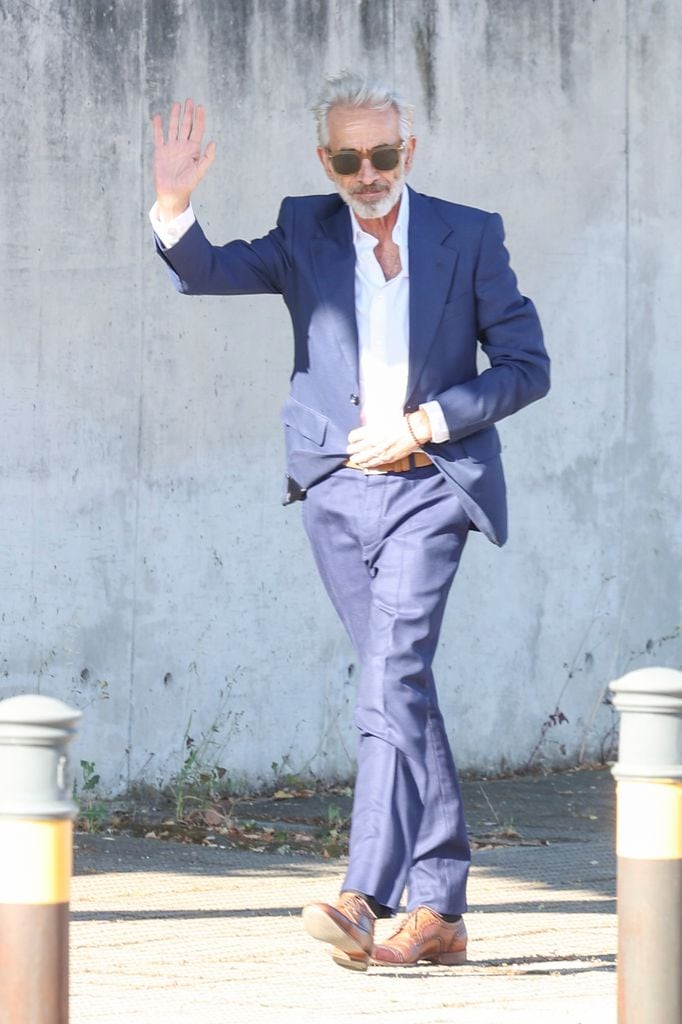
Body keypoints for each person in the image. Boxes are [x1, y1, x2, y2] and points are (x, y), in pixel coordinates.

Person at [150, 72, 549, 971]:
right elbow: (209, 270)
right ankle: (440, 907)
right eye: (347, 158)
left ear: (409, 150)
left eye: (381, 154)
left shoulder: (468, 234)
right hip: (335, 493)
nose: (366, 173)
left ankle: (362, 896)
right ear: (324, 159)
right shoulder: (305, 228)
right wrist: (174, 204)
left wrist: (425, 421)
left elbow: (527, 364)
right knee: (396, 685)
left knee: (392, 674)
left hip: (428, 485)